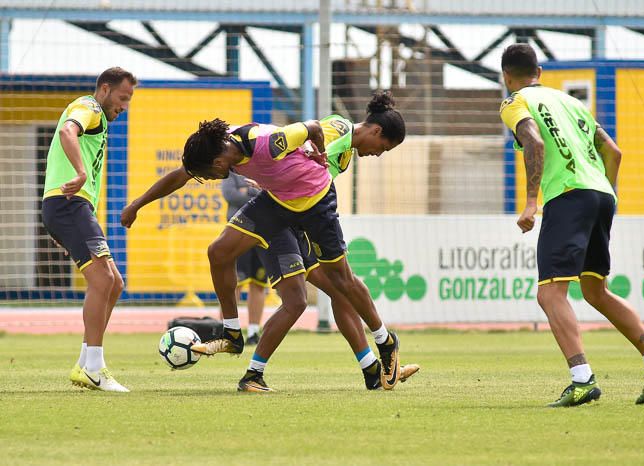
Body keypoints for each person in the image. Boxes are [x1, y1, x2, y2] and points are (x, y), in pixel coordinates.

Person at [122, 91, 410, 391]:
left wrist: (318, 149)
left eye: (206, 175)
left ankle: (385, 341)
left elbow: (312, 127)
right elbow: (181, 175)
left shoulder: (267, 144)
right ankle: (233, 334)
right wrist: (138, 204)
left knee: (341, 282)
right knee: (219, 252)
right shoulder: (220, 146)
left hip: (316, 205)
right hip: (277, 202)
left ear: (218, 161)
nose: (206, 179)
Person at [499, 43, 644, 407]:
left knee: (550, 293)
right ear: (540, 73)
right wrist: (606, 195)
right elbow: (613, 151)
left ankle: (582, 380)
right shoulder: (571, 102)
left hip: (568, 196)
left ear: (507, 77)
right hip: (601, 193)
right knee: (595, 291)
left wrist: (532, 202)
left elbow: (533, 141)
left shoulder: (514, 102)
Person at [42, 67, 137, 392]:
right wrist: (81, 173)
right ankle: (95, 368)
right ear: (105, 89)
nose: (124, 106)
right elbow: (68, 131)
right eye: (123, 98)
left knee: (114, 283)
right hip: (69, 204)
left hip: (72, 208)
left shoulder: (97, 115)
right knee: (104, 279)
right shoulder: (90, 108)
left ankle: (85, 363)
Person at [221, 172, 267, 345]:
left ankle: (254, 332)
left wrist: (246, 192)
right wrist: (257, 194)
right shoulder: (231, 172)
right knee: (233, 284)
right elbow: (230, 195)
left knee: (258, 283)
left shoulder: (263, 167)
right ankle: (228, 332)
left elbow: (271, 194)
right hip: (238, 233)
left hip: (262, 233)